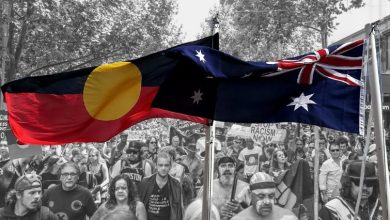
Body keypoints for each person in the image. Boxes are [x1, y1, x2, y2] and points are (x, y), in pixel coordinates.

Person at [231, 172, 297, 220]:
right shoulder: (239, 218)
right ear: (250, 194)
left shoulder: (288, 217)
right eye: (261, 196)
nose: (267, 201)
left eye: (271, 196)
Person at [139, 151, 183, 220]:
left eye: (166, 165)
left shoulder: (175, 184)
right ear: (156, 165)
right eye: (160, 165)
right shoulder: (146, 182)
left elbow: (178, 209)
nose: (163, 168)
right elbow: (140, 205)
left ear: (170, 166)